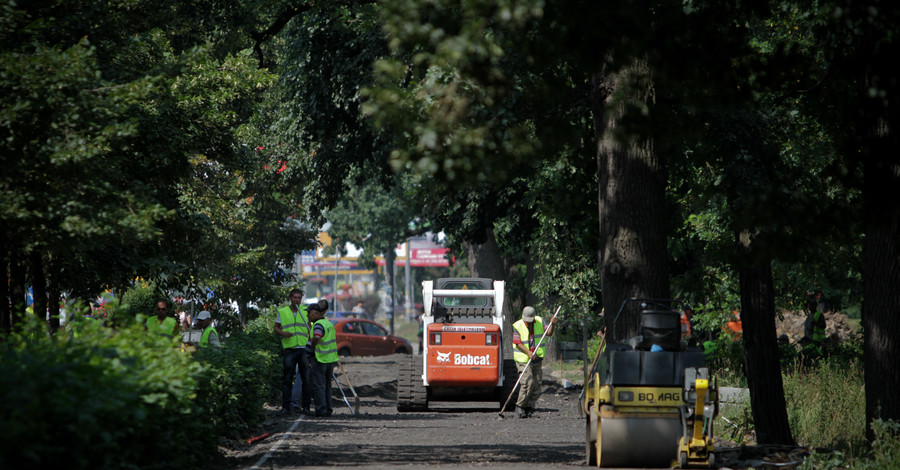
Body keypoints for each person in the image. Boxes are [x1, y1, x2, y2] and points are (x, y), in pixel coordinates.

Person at [511, 306, 557, 418]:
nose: (528, 323)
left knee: (537, 384)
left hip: (537, 359)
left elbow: (549, 333)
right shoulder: (518, 325)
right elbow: (517, 342)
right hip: (523, 359)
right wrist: (528, 352)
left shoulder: (540, 321)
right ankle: (520, 406)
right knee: (528, 382)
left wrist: (553, 324)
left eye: (530, 320)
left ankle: (529, 407)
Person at [274, 288, 311, 415]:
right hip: (289, 349)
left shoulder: (305, 311)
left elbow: (310, 327)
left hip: (303, 349)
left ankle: (306, 406)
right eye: (294, 297)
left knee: (306, 379)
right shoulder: (283, 312)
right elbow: (276, 327)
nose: (297, 300)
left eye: (299, 298)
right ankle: (286, 407)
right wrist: (283, 333)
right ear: (290, 298)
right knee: (287, 379)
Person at [309, 302, 339, 417]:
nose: (308, 315)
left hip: (321, 359)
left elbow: (317, 336)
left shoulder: (318, 325)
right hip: (330, 359)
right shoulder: (328, 323)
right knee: (327, 386)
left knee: (319, 386)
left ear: (316, 313)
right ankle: (328, 409)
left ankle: (321, 410)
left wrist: (313, 346)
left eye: (309, 312)